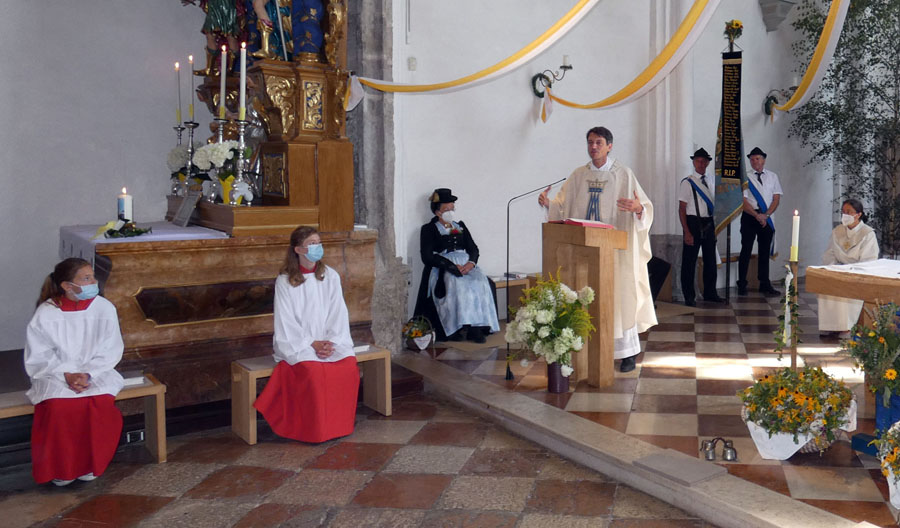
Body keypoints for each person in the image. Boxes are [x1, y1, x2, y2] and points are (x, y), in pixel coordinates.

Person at [538, 126, 657, 372]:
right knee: (586, 295)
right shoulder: (578, 175)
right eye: (590, 142)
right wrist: (548, 204)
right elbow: (562, 207)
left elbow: (644, 206)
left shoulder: (623, 174)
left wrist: (638, 209)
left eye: (599, 142)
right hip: (586, 250)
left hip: (616, 251)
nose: (594, 147)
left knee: (620, 296)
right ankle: (586, 348)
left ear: (609, 146)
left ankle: (627, 354)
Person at [254, 226, 359, 443]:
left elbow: (338, 312)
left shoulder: (329, 275)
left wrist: (331, 342)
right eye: (312, 244)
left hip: (330, 341)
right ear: (298, 250)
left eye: (318, 242)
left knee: (348, 368)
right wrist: (312, 343)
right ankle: (314, 430)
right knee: (312, 374)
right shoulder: (285, 281)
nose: (317, 247)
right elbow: (286, 320)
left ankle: (339, 426)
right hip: (300, 344)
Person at [25, 258, 124, 486]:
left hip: (96, 371)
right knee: (60, 407)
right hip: (55, 373)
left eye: (92, 277)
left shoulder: (104, 307)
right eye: (86, 278)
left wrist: (88, 374)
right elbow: (39, 354)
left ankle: (91, 464)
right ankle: (62, 469)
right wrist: (66, 374)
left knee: (99, 403)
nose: (93, 282)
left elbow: (111, 348)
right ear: (67, 286)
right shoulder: (47, 312)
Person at [414, 188, 500, 343]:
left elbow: (473, 248)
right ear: (437, 212)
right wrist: (450, 266)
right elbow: (427, 256)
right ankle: (454, 327)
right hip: (444, 265)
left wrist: (470, 263)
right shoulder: (429, 229)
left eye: (452, 208)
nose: (450, 211)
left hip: (465, 263)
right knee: (457, 284)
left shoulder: (460, 226)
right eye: (446, 209)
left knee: (480, 282)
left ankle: (476, 328)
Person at [817, 199, 879, 334]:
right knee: (826, 285)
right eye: (843, 212)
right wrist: (832, 268)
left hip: (857, 273)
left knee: (846, 289)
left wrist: (851, 271)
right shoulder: (837, 231)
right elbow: (830, 253)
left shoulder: (868, 234)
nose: (845, 215)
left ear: (858, 214)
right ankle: (829, 325)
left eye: (849, 212)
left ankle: (845, 327)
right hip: (838, 270)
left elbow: (869, 259)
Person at [678, 147, 723, 306]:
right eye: (698, 160)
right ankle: (689, 296)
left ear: (708, 162)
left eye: (704, 161)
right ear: (693, 162)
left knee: (710, 260)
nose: (701, 163)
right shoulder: (688, 182)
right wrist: (687, 232)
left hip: (709, 222)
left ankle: (710, 292)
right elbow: (682, 208)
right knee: (689, 262)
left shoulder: (712, 180)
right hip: (693, 222)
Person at [738, 147, 782, 296]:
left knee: (764, 252)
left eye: (757, 158)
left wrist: (766, 215)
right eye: (751, 159)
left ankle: (764, 283)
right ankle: (742, 284)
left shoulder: (772, 176)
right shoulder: (745, 177)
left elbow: (776, 198)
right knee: (746, 250)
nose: (754, 161)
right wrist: (756, 215)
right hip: (750, 216)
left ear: (763, 160)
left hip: (766, 217)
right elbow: (742, 200)